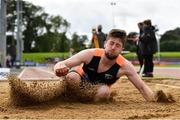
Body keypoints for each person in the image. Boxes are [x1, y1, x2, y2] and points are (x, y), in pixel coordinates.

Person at [53, 29, 155, 102]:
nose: (113, 47)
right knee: (72, 77)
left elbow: (142, 87)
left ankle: (83, 102)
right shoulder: (89, 54)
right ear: (105, 44)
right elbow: (63, 63)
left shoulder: (125, 66)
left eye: (118, 45)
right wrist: (58, 67)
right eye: (111, 43)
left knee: (105, 92)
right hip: (79, 81)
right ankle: (66, 97)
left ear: (122, 49)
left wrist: (155, 101)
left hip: (96, 91)